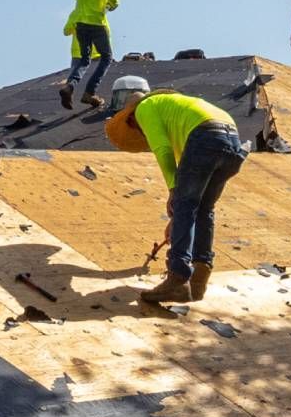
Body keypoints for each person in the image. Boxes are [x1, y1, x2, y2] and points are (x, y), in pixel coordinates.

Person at [104, 75, 248, 304]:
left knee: (186, 205)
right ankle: (198, 281)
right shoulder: (176, 112)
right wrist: (178, 217)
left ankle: (178, 279)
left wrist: (174, 192)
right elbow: (191, 182)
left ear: (130, 118)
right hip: (231, 139)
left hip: (206, 135)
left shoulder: (144, 108)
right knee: (204, 209)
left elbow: (163, 150)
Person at [62, 0, 129, 109]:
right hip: (96, 22)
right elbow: (114, 1)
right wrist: (107, 7)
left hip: (80, 21)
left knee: (84, 60)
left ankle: (69, 86)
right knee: (106, 57)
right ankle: (89, 93)